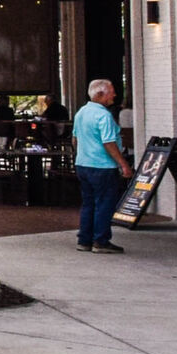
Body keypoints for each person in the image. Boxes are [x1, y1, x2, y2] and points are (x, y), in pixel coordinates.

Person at [73, 79, 131, 253]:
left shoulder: (81, 112)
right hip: (102, 166)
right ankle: (101, 240)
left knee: (88, 203)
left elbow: (75, 139)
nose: (114, 95)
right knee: (104, 203)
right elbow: (109, 142)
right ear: (100, 94)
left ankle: (84, 240)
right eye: (111, 92)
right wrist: (123, 164)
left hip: (83, 164)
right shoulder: (104, 116)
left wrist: (83, 153)